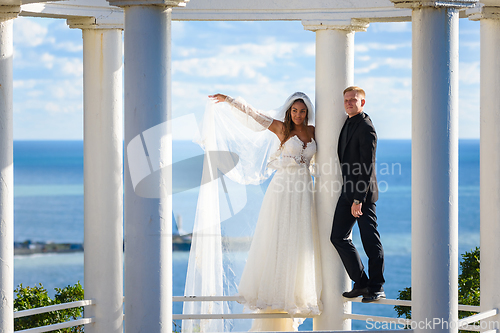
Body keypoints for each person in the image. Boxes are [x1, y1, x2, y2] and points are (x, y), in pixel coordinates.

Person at [208, 92, 323, 331]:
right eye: (295, 111)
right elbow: (256, 116)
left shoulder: (313, 132)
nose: (298, 115)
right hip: (282, 189)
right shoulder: (282, 130)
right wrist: (231, 101)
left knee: (300, 240)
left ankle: (294, 293)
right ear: (289, 112)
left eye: (302, 111)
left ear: (307, 112)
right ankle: (273, 292)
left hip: (304, 191)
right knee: (279, 237)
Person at [330, 86, 385, 303]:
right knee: (337, 237)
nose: (349, 103)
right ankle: (361, 282)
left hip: (362, 196)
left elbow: (366, 166)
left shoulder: (366, 128)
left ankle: (377, 286)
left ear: (363, 102)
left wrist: (358, 199)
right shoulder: (348, 121)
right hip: (348, 192)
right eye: (346, 100)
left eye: (353, 100)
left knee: (370, 241)